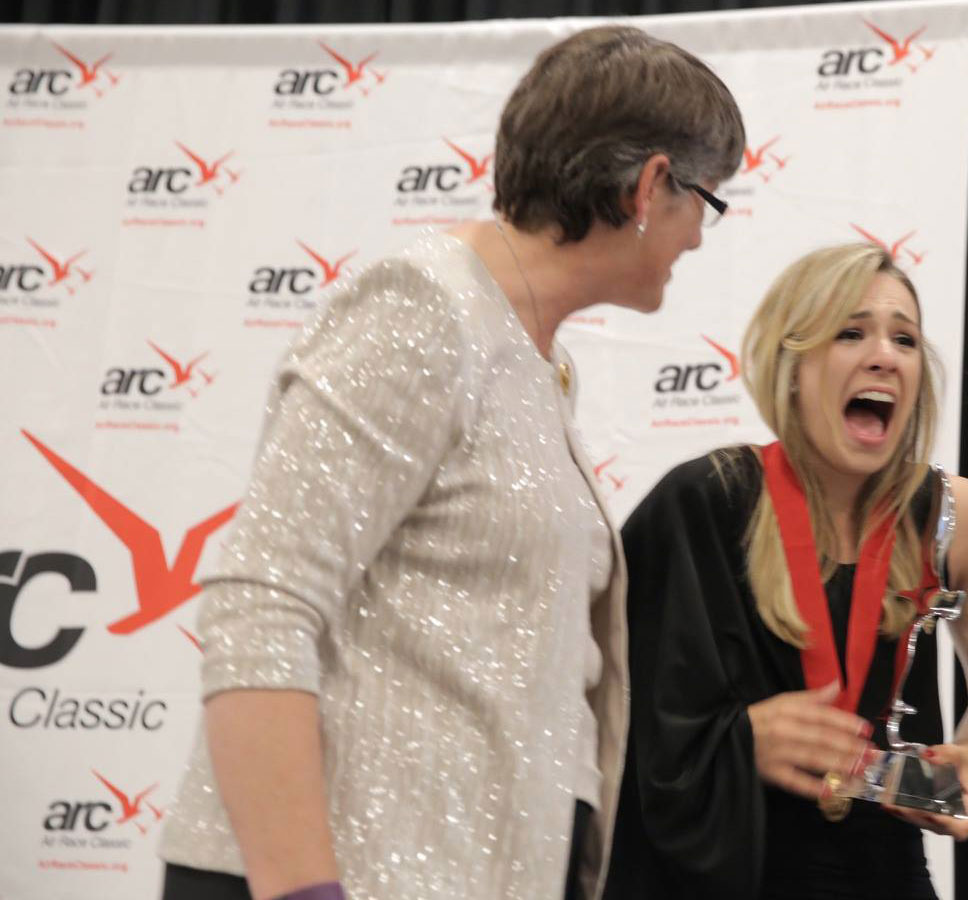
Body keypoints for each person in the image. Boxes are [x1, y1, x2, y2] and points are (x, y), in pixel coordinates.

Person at [157, 26, 744, 900]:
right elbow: (262, 603)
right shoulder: (426, 308)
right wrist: (304, 890)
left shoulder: (534, 359)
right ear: (651, 186)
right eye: (708, 199)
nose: (700, 236)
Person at [604, 243, 968, 899]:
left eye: (904, 338)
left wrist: (966, 754)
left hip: (888, 877)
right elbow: (609, 717)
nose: (884, 355)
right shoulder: (703, 502)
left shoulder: (955, 516)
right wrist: (739, 743)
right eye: (851, 332)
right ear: (793, 365)